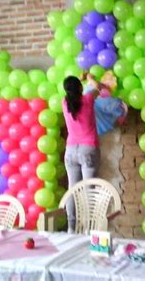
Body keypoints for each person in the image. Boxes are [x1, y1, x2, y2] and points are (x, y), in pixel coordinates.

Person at [62, 74, 103, 232]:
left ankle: (71, 228)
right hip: (88, 148)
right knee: (88, 189)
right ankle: (88, 229)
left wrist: (77, 80)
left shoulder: (64, 102)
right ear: (80, 88)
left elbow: (71, 94)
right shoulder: (88, 99)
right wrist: (89, 77)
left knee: (73, 189)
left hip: (70, 150)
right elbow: (99, 87)